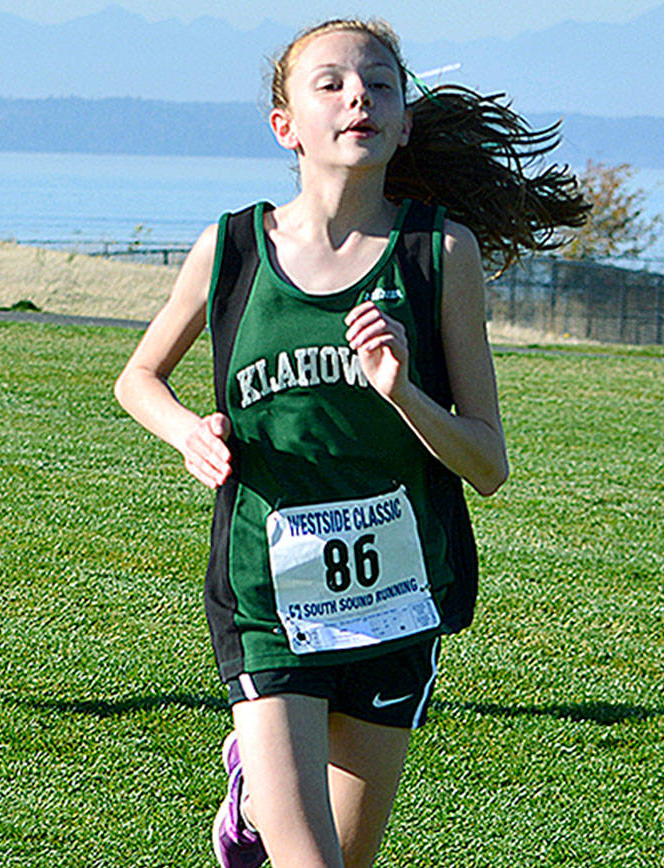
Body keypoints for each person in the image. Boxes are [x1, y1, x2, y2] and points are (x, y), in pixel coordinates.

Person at [113, 18, 588, 868]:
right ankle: (263, 784)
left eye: (380, 83)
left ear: (405, 120)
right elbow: (137, 378)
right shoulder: (231, 248)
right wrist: (191, 430)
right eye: (329, 82)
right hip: (266, 595)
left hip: (396, 602)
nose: (357, 95)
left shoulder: (439, 253)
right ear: (284, 125)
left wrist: (402, 389)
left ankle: (255, 795)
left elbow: (488, 464)